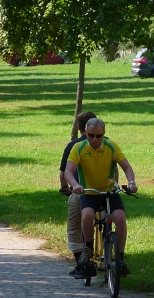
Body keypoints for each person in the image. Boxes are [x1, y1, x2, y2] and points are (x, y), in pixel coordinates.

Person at [64, 118, 138, 275]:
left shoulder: (111, 146)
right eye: (91, 135)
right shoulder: (79, 148)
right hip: (88, 192)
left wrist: (131, 182)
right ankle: (88, 249)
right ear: (85, 132)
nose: (95, 139)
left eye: (99, 136)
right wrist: (76, 185)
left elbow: (126, 166)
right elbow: (68, 172)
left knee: (120, 218)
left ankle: (120, 258)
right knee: (87, 215)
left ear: (104, 134)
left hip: (109, 191)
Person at [59, 111, 96, 278]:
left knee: (74, 227)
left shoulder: (73, 145)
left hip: (80, 191)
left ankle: (82, 265)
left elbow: (63, 173)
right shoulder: (106, 143)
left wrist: (65, 187)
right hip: (105, 191)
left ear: (79, 127)